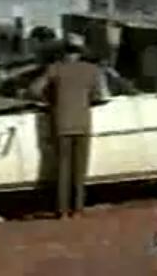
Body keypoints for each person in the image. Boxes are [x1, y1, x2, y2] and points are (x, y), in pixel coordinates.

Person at [30, 33, 102, 219]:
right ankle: (77, 209)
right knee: (80, 170)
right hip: (83, 124)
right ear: (81, 52)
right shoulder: (91, 70)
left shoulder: (55, 69)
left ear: (63, 51)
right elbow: (98, 97)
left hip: (61, 123)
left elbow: (34, 89)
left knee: (63, 169)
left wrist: (50, 100)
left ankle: (62, 211)